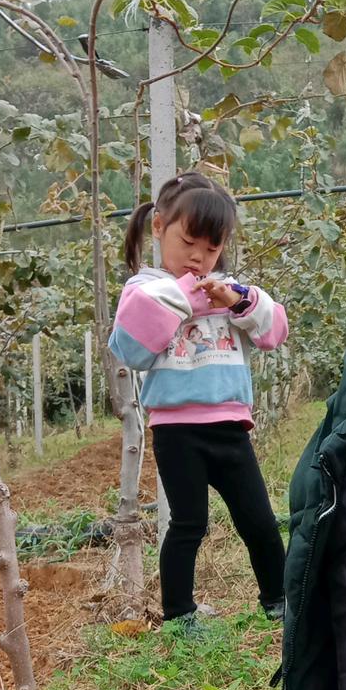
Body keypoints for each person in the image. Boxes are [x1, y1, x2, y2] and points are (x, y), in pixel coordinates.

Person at [109, 172, 290, 631]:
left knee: (260, 522)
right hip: (176, 429)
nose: (198, 257)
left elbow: (274, 332)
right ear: (159, 227)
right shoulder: (145, 290)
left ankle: (279, 599)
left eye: (211, 249)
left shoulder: (232, 292)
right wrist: (187, 296)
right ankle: (179, 615)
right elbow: (130, 348)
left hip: (230, 425)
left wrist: (238, 301)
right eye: (188, 241)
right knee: (188, 524)